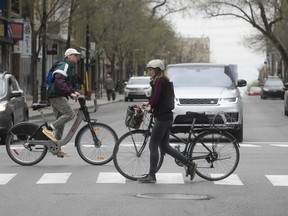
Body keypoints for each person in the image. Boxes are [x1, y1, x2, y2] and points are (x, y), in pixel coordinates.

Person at [138, 59, 197, 183]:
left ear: (158, 70)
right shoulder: (163, 80)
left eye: (151, 70)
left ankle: (152, 175)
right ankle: (189, 164)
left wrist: (150, 106)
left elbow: (157, 98)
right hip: (166, 117)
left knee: (153, 145)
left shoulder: (159, 81)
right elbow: (157, 97)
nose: (149, 72)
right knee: (165, 146)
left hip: (162, 118)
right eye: (148, 69)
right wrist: (149, 103)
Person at [42, 48, 81, 157]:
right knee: (70, 114)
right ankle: (48, 129)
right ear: (69, 56)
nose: (76, 57)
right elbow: (59, 81)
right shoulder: (65, 65)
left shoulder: (68, 66)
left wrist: (73, 92)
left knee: (61, 123)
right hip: (56, 95)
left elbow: (64, 83)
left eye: (77, 55)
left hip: (55, 95)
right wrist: (69, 92)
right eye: (75, 55)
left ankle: (56, 148)